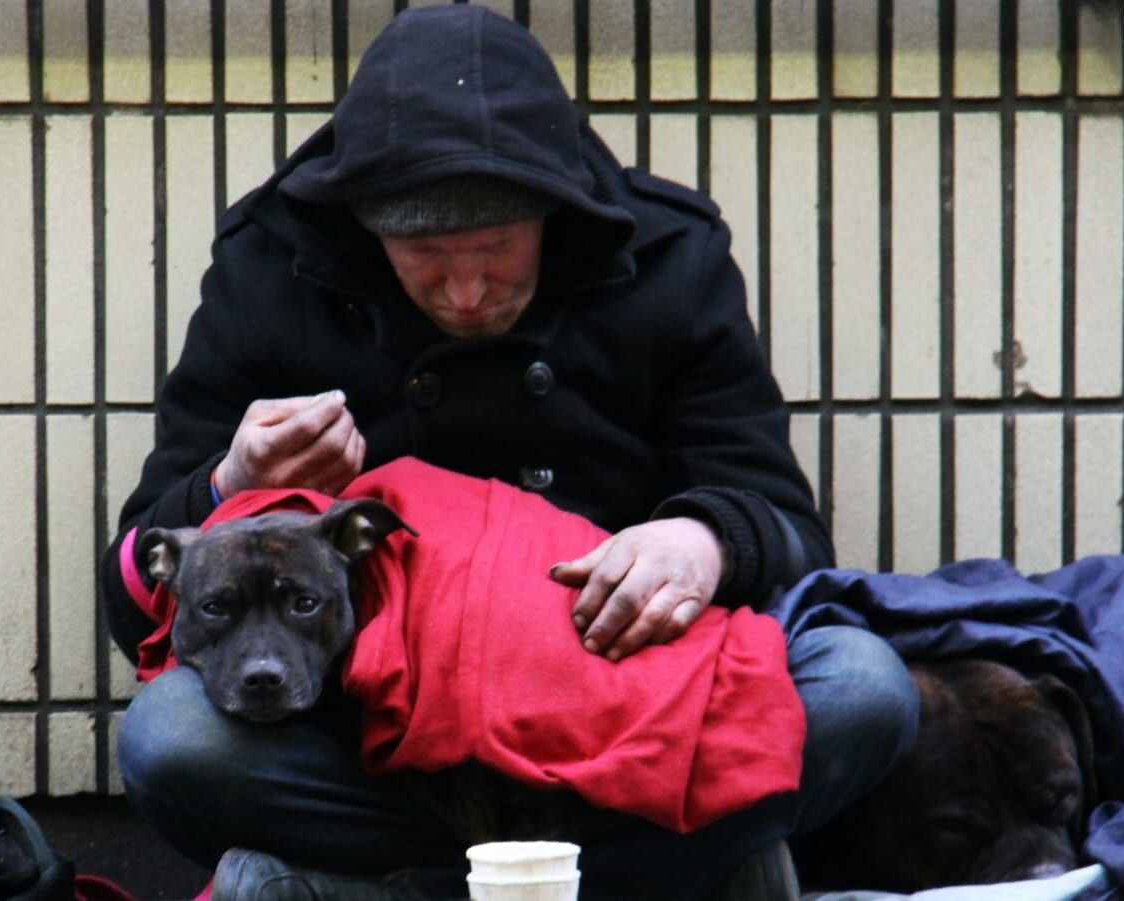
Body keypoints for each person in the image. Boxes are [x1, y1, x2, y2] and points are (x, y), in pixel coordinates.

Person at [103, 6, 918, 899]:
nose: (462, 289)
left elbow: (787, 526)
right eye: (422, 253)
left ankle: (389, 891)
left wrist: (702, 540)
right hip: (373, 733)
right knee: (168, 737)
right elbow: (136, 582)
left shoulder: (670, 255)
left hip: (621, 701)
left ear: (552, 215)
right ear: (368, 229)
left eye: (495, 249)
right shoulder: (272, 264)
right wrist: (232, 483)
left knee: (865, 687)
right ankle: (662, 873)